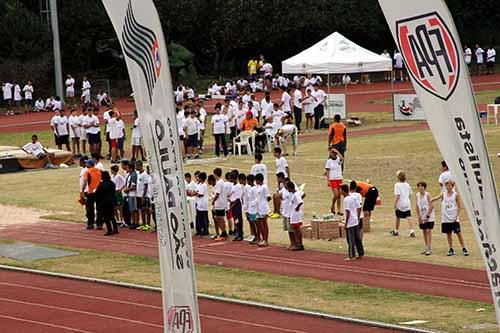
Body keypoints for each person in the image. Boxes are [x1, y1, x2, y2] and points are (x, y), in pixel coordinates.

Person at [432, 180, 469, 257]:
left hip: (454, 218)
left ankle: (464, 248)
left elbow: (459, 207)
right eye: (447, 185)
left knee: (459, 234)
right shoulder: (443, 194)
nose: (448, 187)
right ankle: (451, 249)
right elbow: (435, 198)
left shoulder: (456, 195)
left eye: (450, 185)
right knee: (448, 234)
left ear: (452, 186)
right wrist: (430, 200)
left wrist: (456, 216)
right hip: (445, 218)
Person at [341, 184, 364, 261]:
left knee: (350, 240)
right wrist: (357, 217)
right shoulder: (353, 198)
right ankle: (361, 253)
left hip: (350, 222)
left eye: (341, 190)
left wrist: (346, 223)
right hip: (355, 220)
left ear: (343, 191)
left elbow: (347, 212)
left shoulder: (346, 200)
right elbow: (358, 207)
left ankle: (352, 255)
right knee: (357, 238)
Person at [391, 170, 415, 237]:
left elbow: (398, 195)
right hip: (407, 203)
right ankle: (412, 230)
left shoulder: (397, 185)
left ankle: (396, 230)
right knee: (408, 217)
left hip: (400, 203)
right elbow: (410, 194)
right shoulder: (407, 184)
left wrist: (395, 204)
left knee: (398, 217)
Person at [94, 171, 119, 236]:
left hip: (104, 202)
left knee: (106, 217)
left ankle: (109, 230)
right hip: (112, 201)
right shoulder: (112, 183)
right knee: (112, 216)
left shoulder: (101, 185)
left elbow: (97, 194)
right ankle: (115, 229)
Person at [80, 159, 102, 230]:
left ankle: (90, 224)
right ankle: (99, 224)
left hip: (90, 192)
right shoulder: (99, 171)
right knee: (99, 208)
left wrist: (82, 191)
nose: (86, 165)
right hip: (99, 191)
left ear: (89, 165)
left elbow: (85, 182)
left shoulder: (87, 172)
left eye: (87, 164)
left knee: (90, 209)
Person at [416, 181, 434, 256]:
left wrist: (427, 215)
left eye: (422, 186)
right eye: (419, 186)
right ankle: (426, 246)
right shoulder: (417, 195)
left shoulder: (427, 195)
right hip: (422, 216)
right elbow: (416, 206)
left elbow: (431, 206)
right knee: (424, 231)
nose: (420, 188)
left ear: (424, 187)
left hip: (429, 216)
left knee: (428, 231)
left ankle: (429, 247)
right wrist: (418, 216)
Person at [325, 147, 343, 215]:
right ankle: (332, 206)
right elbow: (327, 171)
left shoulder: (338, 159)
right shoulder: (329, 161)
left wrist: (337, 151)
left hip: (339, 178)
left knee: (339, 195)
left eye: (332, 153)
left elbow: (342, 159)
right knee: (336, 194)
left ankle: (339, 210)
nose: (331, 154)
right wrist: (328, 181)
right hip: (333, 179)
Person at [254, 173, 271, 247]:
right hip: (259, 208)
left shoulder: (264, 187)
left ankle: (266, 240)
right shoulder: (259, 187)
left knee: (264, 224)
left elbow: (268, 197)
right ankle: (263, 239)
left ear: (258, 180)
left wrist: (264, 202)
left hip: (263, 208)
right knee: (260, 224)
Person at [212, 168, 228, 241]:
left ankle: (223, 232)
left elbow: (217, 194)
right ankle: (223, 232)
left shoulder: (219, 183)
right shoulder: (222, 182)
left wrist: (213, 201)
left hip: (219, 203)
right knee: (220, 218)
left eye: (214, 174)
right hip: (222, 202)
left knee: (219, 218)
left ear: (216, 174)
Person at [136, 161, 151, 231]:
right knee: (141, 210)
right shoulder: (138, 174)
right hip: (138, 195)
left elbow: (146, 186)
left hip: (144, 195)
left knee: (146, 210)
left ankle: (148, 224)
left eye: (137, 166)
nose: (136, 167)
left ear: (140, 166)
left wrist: (143, 196)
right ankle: (143, 224)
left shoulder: (145, 175)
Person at [124, 162, 139, 229]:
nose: (126, 169)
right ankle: (133, 222)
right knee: (131, 209)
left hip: (133, 194)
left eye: (127, 168)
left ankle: (136, 222)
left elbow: (134, 186)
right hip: (130, 194)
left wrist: (127, 190)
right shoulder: (129, 175)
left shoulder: (133, 175)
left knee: (134, 209)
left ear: (131, 168)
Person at [229, 173, 244, 241]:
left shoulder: (238, 186)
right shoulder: (233, 185)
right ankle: (238, 233)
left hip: (236, 205)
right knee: (235, 219)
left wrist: (231, 206)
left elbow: (237, 199)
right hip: (233, 204)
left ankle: (240, 234)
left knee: (238, 220)